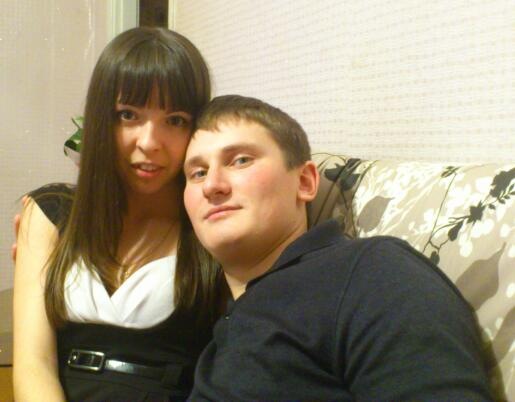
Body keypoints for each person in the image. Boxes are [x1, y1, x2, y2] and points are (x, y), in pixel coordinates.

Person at [182, 94, 494, 400]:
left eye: (241, 160)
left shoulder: (372, 271)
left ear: (305, 182)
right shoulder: (207, 319)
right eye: (198, 173)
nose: (211, 185)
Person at [13, 27, 224, 401]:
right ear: (100, 120)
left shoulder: (210, 224)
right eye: (128, 115)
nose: (149, 142)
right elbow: (33, 364)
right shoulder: (50, 213)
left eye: (175, 120)